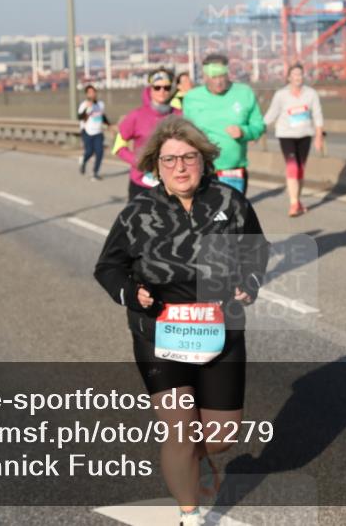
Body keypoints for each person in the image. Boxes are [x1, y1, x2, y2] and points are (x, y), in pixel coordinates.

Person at [94, 116, 269, 526]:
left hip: (220, 330)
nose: (180, 167)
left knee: (221, 438)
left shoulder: (231, 203)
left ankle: (190, 461)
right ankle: (189, 515)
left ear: (204, 160)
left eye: (189, 157)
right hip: (159, 332)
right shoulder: (137, 213)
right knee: (180, 431)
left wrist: (249, 282)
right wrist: (130, 293)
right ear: (156, 166)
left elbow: (257, 253)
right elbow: (108, 267)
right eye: (170, 160)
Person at [183, 54, 265, 194]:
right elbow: (184, 132)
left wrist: (244, 132)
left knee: (233, 214)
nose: (219, 81)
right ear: (205, 76)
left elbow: (259, 125)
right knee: (205, 214)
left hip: (233, 170)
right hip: (201, 169)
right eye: (214, 77)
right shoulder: (192, 98)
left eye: (222, 76)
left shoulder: (244, 93)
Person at [263, 63, 324, 217]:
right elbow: (271, 114)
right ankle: (293, 203)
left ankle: (297, 199)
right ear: (289, 77)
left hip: (305, 135)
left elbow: (317, 115)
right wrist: (256, 131)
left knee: (301, 170)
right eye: (295, 74)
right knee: (293, 167)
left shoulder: (311, 94)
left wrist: (318, 137)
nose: (298, 77)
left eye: (300, 74)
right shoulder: (281, 95)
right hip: (286, 135)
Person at [112, 68, 181, 198]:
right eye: (157, 87)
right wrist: (138, 161)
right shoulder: (136, 116)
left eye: (166, 88)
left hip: (171, 184)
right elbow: (118, 146)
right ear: (150, 88)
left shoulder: (179, 115)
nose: (162, 91)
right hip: (141, 184)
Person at [78, 84, 109, 181]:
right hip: (87, 131)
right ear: (87, 94)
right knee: (89, 151)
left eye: (93, 92)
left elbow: (103, 116)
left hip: (98, 132)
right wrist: (87, 109)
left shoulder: (100, 104)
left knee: (100, 152)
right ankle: (83, 160)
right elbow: (79, 117)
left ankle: (95, 173)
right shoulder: (84, 105)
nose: (92, 94)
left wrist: (109, 124)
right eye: (89, 92)